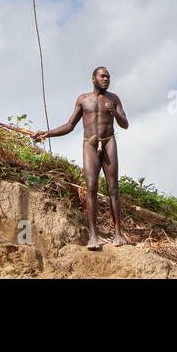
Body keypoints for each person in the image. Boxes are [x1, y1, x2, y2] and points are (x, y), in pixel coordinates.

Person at [35, 67, 130, 249]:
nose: (106, 79)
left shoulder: (114, 99)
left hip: (109, 142)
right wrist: (46, 134)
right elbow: (70, 125)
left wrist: (115, 113)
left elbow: (125, 124)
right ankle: (93, 236)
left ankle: (118, 232)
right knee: (91, 186)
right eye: (102, 76)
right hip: (90, 143)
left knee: (113, 188)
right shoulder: (83, 99)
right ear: (93, 78)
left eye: (108, 77)